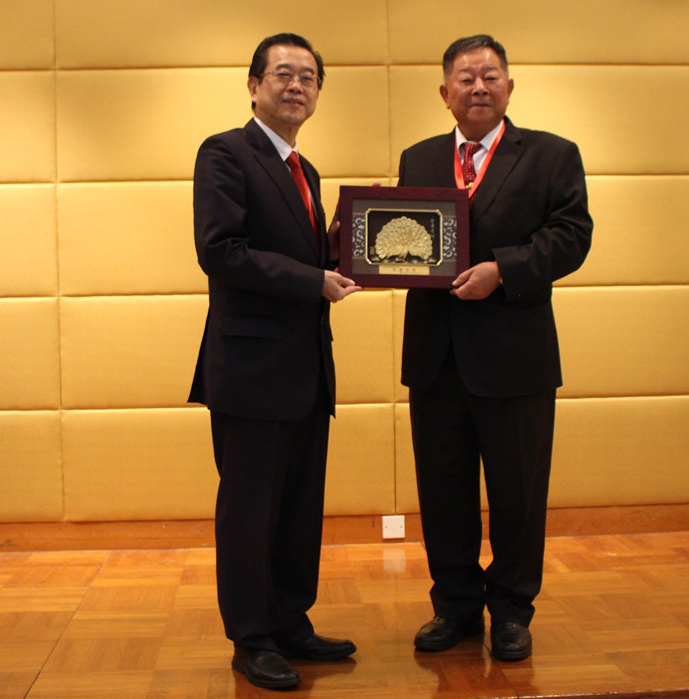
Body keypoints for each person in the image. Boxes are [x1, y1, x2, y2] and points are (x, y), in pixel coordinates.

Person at [398, 35, 592, 662]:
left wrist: (502, 271)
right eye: (465, 77)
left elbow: (572, 236)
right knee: (442, 491)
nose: (478, 87)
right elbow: (409, 244)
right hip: (436, 358)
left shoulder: (552, 154)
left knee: (518, 495)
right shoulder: (418, 158)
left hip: (516, 359)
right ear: (444, 92)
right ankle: (454, 607)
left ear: (510, 86)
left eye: (490, 76)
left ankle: (511, 611)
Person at [188, 33, 361, 691]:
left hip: (306, 370)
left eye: (309, 77)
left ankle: (290, 621)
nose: (296, 85)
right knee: (250, 511)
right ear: (254, 85)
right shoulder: (225, 152)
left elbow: (293, 257)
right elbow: (221, 251)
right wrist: (315, 279)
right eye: (283, 73)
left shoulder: (305, 170)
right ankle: (251, 637)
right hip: (251, 371)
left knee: (296, 508)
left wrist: (337, 252)